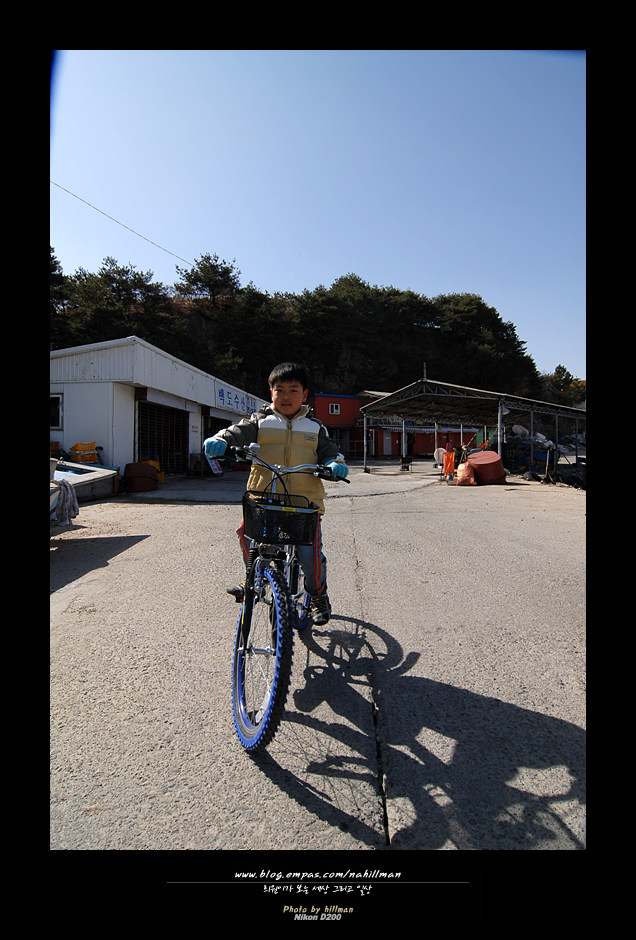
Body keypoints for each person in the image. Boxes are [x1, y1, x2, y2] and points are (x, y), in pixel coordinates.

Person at [203, 362, 349, 625]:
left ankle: (318, 595)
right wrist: (221, 440)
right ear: (271, 392)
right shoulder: (260, 421)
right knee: (246, 534)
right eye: (279, 390)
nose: (286, 396)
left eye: (293, 390)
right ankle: (254, 578)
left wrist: (334, 464)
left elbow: (330, 452)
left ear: (305, 395)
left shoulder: (315, 427)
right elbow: (237, 432)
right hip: (264, 499)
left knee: (309, 556)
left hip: (304, 504)